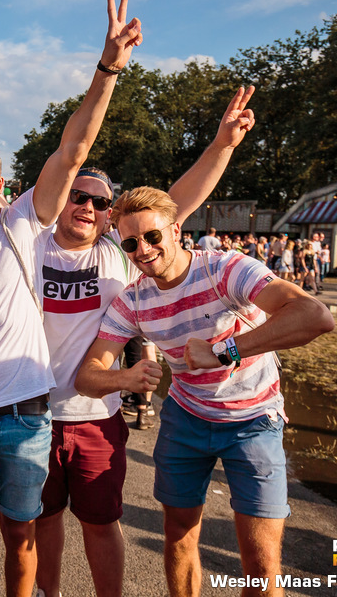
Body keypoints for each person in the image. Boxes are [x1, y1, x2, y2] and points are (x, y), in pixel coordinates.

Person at [0, 0, 142, 597]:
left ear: (5, 181)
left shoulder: (23, 223)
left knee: (24, 537)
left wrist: (109, 68)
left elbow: (75, 148)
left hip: (25, 417)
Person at [27, 86, 256, 597]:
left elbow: (179, 201)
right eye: (77, 196)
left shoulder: (118, 249)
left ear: (110, 214)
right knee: (42, 520)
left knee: (100, 522)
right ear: (62, 199)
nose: (87, 206)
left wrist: (222, 145)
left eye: (100, 202)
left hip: (95, 416)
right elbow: (37, 167)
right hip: (34, 413)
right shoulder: (32, 242)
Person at [75, 186, 333, 597]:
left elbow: (314, 315)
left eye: (153, 236)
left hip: (254, 419)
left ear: (176, 230)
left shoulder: (226, 269)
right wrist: (124, 379)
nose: (142, 250)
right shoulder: (133, 301)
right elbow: (87, 376)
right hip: (187, 417)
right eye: (130, 242)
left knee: (261, 560)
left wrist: (224, 351)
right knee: (178, 534)